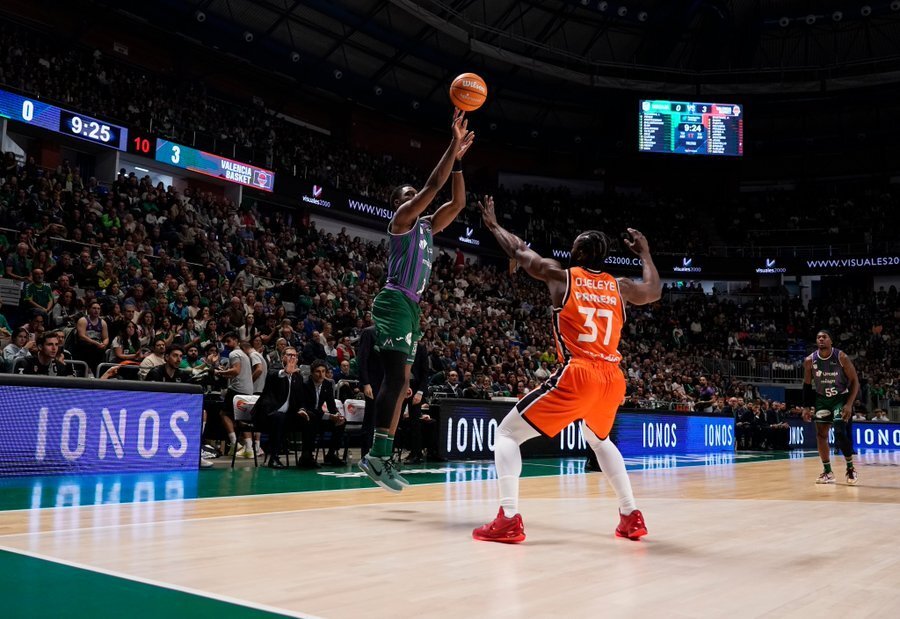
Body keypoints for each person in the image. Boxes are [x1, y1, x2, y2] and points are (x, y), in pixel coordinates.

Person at [472, 196, 661, 544]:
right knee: (599, 439)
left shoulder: (561, 277)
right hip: (613, 377)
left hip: (580, 371)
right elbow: (653, 290)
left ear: (576, 253)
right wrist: (645, 253)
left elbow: (520, 252)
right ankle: (630, 514)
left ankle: (508, 518)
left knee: (507, 434)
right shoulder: (620, 287)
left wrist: (494, 226)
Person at [358, 110, 474, 492]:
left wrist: (458, 163)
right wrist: (451, 145)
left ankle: (383, 456)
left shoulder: (426, 227)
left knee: (404, 380)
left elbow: (456, 204)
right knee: (395, 377)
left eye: (413, 195)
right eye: (407, 195)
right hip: (393, 301)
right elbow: (432, 186)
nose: (413, 198)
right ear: (399, 203)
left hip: (411, 307)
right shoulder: (404, 220)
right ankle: (375, 454)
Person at [802, 330, 860, 485]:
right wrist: (806, 407)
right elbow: (807, 385)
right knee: (821, 435)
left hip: (840, 399)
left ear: (831, 341)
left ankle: (850, 468)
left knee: (840, 433)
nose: (821, 339)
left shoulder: (841, 357)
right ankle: (828, 472)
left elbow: (855, 381)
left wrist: (849, 404)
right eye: (818, 337)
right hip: (821, 400)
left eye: (824, 337)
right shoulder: (809, 360)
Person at [250, 346, 304, 469]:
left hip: (287, 415)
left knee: (309, 418)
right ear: (283, 357)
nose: (293, 358)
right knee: (279, 418)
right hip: (267, 414)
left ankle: (307, 456)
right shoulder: (274, 368)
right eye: (290, 355)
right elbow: (273, 376)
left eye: (295, 355)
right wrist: (285, 372)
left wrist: (302, 410)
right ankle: (273, 458)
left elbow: (300, 398)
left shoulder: (298, 376)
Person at [297, 359, 346, 468]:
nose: (321, 374)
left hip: (319, 416)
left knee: (341, 422)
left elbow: (331, 406)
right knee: (312, 417)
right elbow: (307, 407)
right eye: (318, 372)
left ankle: (331, 454)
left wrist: (337, 415)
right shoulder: (305, 384)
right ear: (312, 373)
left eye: (323, 371)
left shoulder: (328, 384)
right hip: (306, 416)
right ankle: (307, 456)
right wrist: (329, 416)